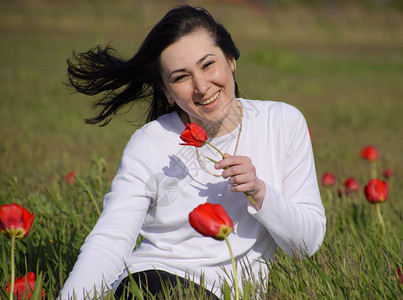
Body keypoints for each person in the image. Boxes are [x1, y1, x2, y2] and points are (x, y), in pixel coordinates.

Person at [60, 5, 326, 299]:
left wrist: (261, 192)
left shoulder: (283, 123)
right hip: (156, 283)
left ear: (231, 61)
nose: (201, 86)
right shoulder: (151, 142)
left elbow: (307, 243)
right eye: (181, 77)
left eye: (208, 64)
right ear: (167, 93)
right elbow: (110, 241)